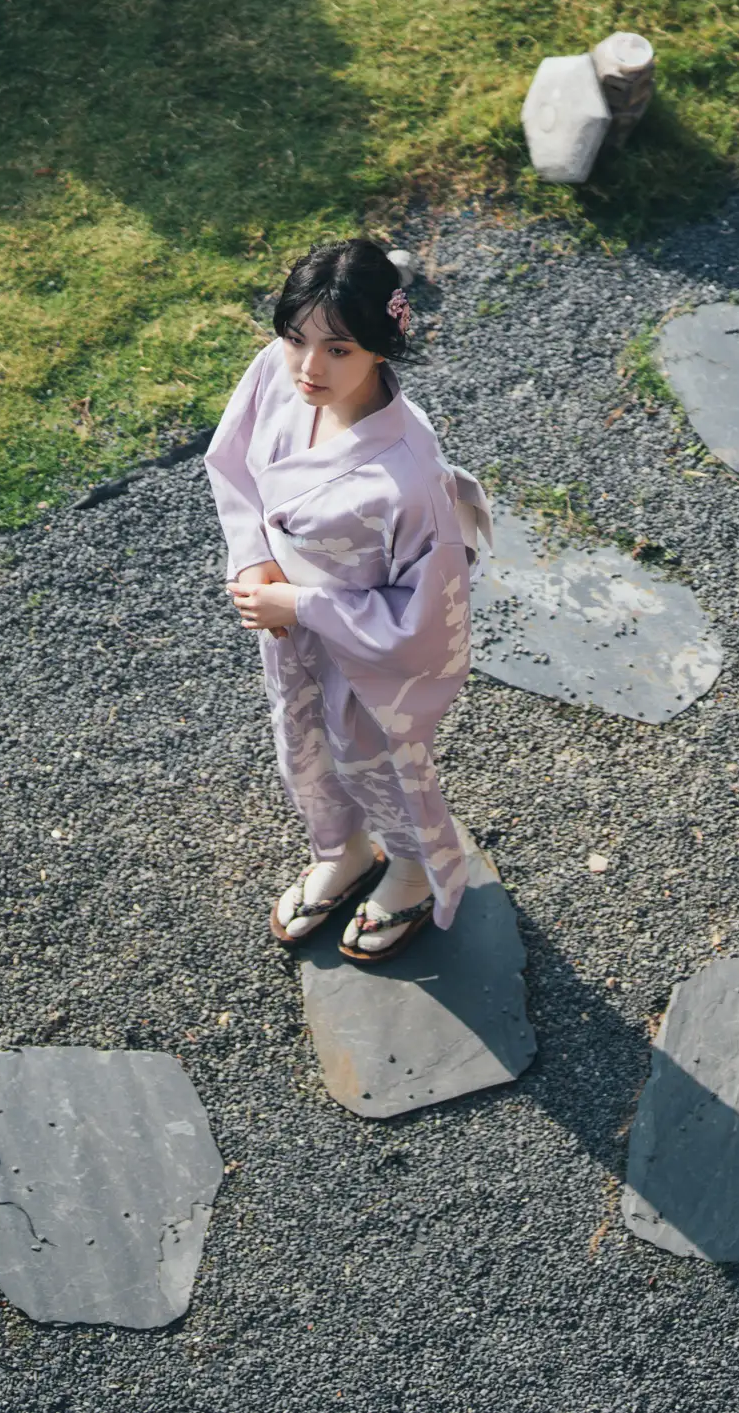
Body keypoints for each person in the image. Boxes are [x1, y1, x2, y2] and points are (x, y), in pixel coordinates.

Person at [205, 238, 491, 964]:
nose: (308, 367)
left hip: (365, 650)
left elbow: (423, 626)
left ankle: (412, 869)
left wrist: (302, 603)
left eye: (339, 348)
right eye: (297, 338)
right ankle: (342, 847)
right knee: (302, 743)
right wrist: (259, 558)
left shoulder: (407, 478)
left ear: (380, 346)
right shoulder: (279, 374)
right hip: (291, 624)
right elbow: (231, 460)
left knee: (379, 758)